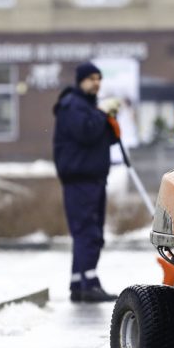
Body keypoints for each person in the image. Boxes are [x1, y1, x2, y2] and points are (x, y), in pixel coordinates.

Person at [53, 62, 121, 302]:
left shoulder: (87, 106)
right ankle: (89, 283)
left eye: (99, 78)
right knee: (88, 233)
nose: (96, 82)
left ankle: (78, 283)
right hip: (80, 179)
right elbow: (87, 132)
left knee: (86, 232)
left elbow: (105, 139)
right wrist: (102, 113)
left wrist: (110, 119)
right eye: (91, 78)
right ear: (80, 80)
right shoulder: (73, 106)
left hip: (92, 178)